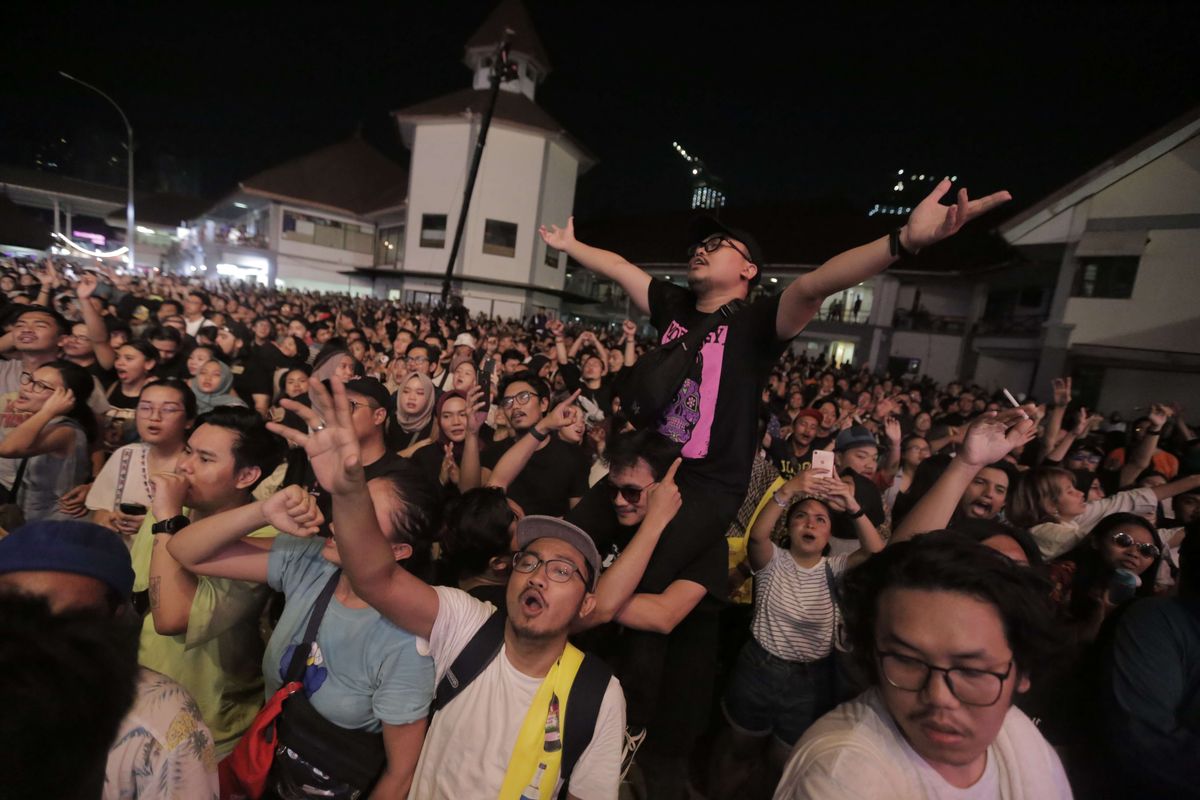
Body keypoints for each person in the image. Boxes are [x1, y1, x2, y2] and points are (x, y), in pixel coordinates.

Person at [266, 377, 626, 799]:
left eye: (563, 571)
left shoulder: (596, 692)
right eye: (528, 560)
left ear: (587, 603)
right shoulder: (467, 624)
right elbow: (374, 576)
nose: (539, 574)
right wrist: (348, 492)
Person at [166, 476, 437, 798]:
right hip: (266, 776)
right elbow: (185, 550)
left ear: (398, 550)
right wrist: (264, 511)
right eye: (349, 504)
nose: (339, 521)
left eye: (362, 516)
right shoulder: (311, 562)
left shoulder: (405, 641)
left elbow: (401, 774)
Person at [774, 532, 1070, 799]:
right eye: (907, 660)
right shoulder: (842, 778)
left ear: (1023, 672)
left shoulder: (1021, 739)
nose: (938, 697)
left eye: (972, 670)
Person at [0, 519, 218, 799]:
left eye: (67, 621)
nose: (39, 637)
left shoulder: (161, 721)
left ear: (116, 615)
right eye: (18, 613)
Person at [712, 471, 884, 799]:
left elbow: (877, 554)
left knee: (785, 762)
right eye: (801, 517)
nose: (810, 523)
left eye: (821, 519)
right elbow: (759, 536)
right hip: (758, 670)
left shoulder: (836, 568)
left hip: (811, 681)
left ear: (830, 532)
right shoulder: (772, 561)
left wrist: (851, 504)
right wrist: (790, 489)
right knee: (740, 750)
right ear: (789, 528)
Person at [129, 405, 286, 755]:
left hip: (204, 726)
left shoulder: (265, 537)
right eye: (188, 450)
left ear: (246, 477)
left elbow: (171, 618)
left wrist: (168, 520)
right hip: (138, 702)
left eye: (205, 458)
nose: (185, 466)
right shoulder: (171, 509)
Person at [1101, 518, 1200, 797]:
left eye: (1147, 549)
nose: (1134, 552)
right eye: (1123, 541)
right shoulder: (1154, 620)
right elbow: (1147, 743)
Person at [1007, 466, 1200, 561]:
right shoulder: (1044, 532)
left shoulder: (1069, 522)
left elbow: (1124, 501)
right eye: (1070, 491)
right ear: (1049, 505)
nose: (1080, 493)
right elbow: (1108, 539)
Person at [86, 379, 196, 538]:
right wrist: (106, 518)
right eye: (145, 407)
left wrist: (153, 526)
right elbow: (98, 509)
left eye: (169, 409)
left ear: (189, 420)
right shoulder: (125, 454)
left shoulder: (194, 467)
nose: (154, 416)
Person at [470, 375, 589, 517]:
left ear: (544, 404)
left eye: (524, 397)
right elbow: (471, 495)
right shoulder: (494, 452)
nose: (515, 406)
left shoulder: (572, 456)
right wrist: (471, 433)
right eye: (508, 401)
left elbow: (579, 518)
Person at [0, 360, 95, 522]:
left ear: (66, 397)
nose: (26, 387)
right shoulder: (42, 423)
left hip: (57, 525)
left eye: (40, 385)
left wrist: (48, 411)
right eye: (29, 379)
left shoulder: (65, 431)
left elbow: (7, 449)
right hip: (34, 521)